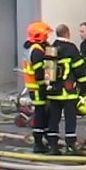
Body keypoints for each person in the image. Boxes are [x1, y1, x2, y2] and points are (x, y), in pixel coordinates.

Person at [46, 24, 86, 155]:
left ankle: (53, 145)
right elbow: (79, 69)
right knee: (70, 118)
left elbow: (47, 70)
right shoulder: (71, 49)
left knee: (53, 119)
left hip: (53, 92)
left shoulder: (51, 48)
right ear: (67, 33)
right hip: (68, 92)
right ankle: (70, 146)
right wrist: (84, 86)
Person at [21, 21, 54, 154]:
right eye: (45, 35)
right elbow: (39, 73)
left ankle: (44, 140)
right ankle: (38, 143)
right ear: (38, 35)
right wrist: (43, 88)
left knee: (45, 114)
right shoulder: (36, 51)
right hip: (37, 88)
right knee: (40, 115)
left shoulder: (37, 48)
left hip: (37, 87)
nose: (47, 38)